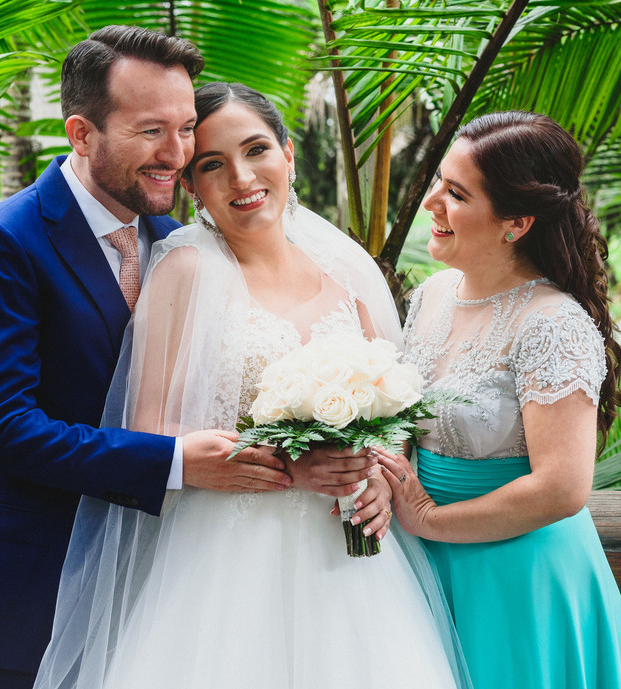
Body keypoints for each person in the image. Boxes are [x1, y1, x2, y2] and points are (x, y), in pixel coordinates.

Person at [0, 27, 329, 689]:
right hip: (19, 601)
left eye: (186, 127)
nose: (179, 154)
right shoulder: (2, 242)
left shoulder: (179, 241)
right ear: (81, 133)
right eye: (151, 132)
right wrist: (171, 461)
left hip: (149, 601)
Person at [33, 83, 470, 689]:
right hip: (227, 559)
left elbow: (394, 410)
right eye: (212, 164)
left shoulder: (346, 273)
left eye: (257, 150)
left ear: (288, 154)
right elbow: (150, 429)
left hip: (353, 567)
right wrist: (293, 466)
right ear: (191, 186)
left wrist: (377, 476)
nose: (241, 178)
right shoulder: (185, 269)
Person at [377, 111, 621, 689]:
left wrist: (432, 520)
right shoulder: (432, 295)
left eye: (456, 193)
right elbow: (403, 410)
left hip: (520, 577)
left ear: (515, 222)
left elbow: (563, 486)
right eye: (439, 183)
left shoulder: (553, 323)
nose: (432, 205)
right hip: (423, 565)